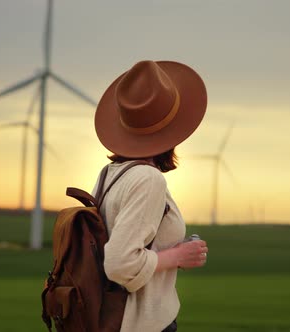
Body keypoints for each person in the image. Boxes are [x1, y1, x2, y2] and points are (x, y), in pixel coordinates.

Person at [93, 60, 209, 332]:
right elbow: (120, 263)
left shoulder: (110, 173)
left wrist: (167, 252)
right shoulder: (148, 179)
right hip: (140, 323)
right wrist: (178, 256)